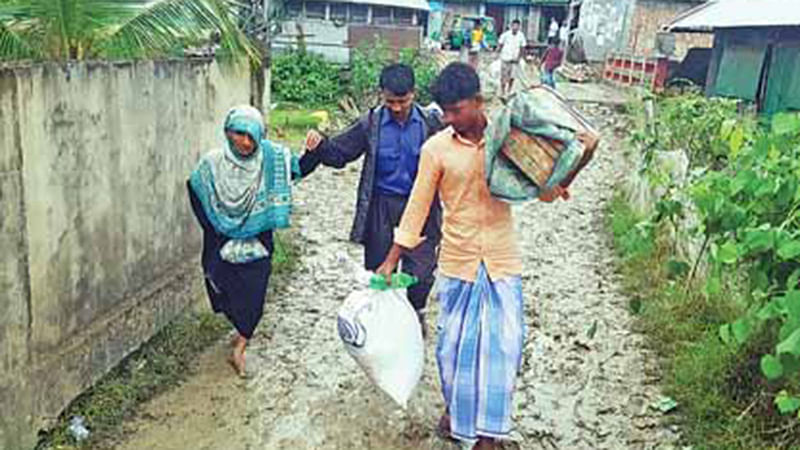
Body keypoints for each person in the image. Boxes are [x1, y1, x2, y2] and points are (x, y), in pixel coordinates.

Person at [375, 62, 581, 449]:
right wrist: (390, 260)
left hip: (503, 261)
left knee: (503, 348)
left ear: (479, 101)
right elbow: (417, 207)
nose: (451, 119)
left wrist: (555, 185)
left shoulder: (511, 140)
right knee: (453, 350)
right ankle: (457, 413)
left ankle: (489, 434)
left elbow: (542, 185)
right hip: (457, 262)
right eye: (446, 112)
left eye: (458, 110)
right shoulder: (435, 149)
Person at [304, 64, 442, 336]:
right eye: (390, 101)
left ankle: (416, 311)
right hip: (380, 204)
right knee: (379, 270)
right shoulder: (371, 124)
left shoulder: (431, 123)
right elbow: (340, 153)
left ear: (414, 94)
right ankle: (382, 321)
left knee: (423, 270)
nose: (397, 107)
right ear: (382, 95)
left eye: (403, 101)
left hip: (420, 205)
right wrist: (319, 144)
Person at [187, 105, 321, 377]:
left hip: (258, 241)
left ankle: (241, 345)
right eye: (239, 134)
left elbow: (298, 168)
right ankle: (238, 328)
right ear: (227, 132)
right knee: (220, 286)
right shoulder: (211, 164)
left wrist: (315, 150)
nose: (246, 143)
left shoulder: (271, 159)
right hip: (219, 240)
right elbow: (195, 189)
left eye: (253, 136)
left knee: (254, 298)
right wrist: (216, 227)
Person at [497, 19, 527, 96]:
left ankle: (509, 90)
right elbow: (500, 44)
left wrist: (520, 57)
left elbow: (522, 48)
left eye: (517, 26)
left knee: (512, 76)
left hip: (515, 60)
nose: (515, 27)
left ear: (519, 27)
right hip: (505, 58)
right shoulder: (505, 35)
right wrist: (497, 52)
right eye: (514, 25)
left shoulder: (521, 36)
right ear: (511, 26)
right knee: (503, 76)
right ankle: (503, 91)